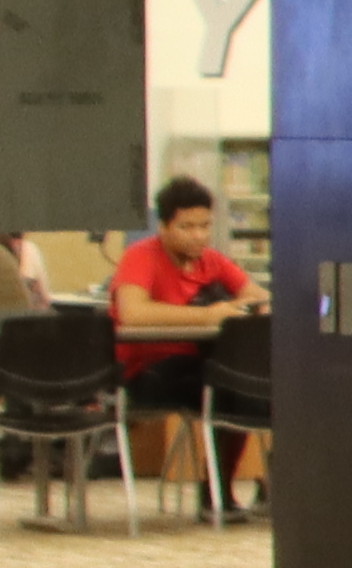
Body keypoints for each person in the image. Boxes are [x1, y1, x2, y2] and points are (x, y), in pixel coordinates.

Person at [107, 176, 255, 513]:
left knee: (248, 384)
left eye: (205, 226)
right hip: (146, 370)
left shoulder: (212, 261)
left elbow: (256, 294)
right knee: (230, 386)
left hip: (198, 364)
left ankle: (230, 488)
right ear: (163, 226)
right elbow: (133, 314)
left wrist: (245, 306)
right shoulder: (141, 256)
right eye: (187, 227)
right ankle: (218, 491)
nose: (199, 235)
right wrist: (206, 316)